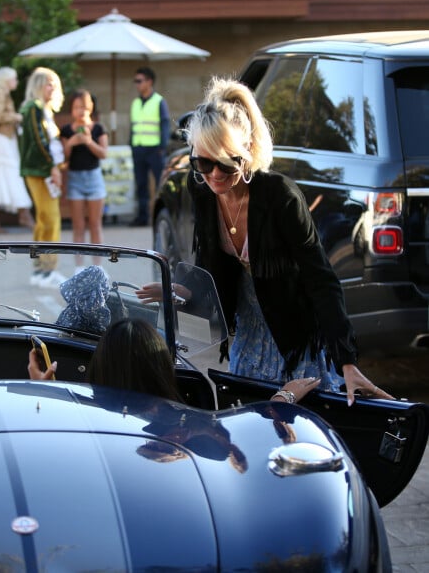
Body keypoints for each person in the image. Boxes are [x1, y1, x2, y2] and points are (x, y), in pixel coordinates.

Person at [138, 76, 394, 407]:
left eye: (226, 163)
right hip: (248, 331)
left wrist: (346, 360)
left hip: (295, 332)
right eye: (203, 162)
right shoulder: (201, 188)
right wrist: (178, 291)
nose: (214, 174)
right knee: (252, 419)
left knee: (296, 425)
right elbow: (208, 264)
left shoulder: (279, 197)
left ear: (247, 154)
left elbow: (321, 280)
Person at [27, 317, 320, 405]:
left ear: (100, 365)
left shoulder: (82, 420)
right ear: (160, 369)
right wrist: (283, 397)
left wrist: (45, 394)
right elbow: (240, 442)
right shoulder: (180, 426)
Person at [19, 67, 66, 287]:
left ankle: (40, 269)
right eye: (48, 83)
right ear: (38, 85)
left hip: (39, 170)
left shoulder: (40, 109)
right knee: (50, 219)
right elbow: (40, 141)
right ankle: (48, 268)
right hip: (40, 170)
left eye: (54, 83)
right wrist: (52, 167)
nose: (53, 87)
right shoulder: (34, 108)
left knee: (43, 220)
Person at [0, 67, 34, 233]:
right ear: (6, 80)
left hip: (2, 139)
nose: (16, 82)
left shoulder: (1, 93)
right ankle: (24, 215)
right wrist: (16, 117)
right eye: (14, 78)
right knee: (11, 175)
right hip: (1, 140)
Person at [60, 89, 108, 271]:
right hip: (75, 179)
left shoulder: (98, 128)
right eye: (77, 107)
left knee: (95, 224)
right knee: (78, 226)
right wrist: (72, 142)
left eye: (84, 107)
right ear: (72, 109)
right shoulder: (65, 130)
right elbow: (63, 158)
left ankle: (97, 266)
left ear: (90, 107)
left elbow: (103, 153)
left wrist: (88, 141)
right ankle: (78, 267)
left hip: (94, 177)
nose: (81, 111)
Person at [128, 67, 170, 227]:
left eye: (139, 81)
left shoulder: (159, 101)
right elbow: (133, 126)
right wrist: (131, 144)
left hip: (155, 150)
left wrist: (162, 147)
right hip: (138, 148)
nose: (137, 84)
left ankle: (162, 215)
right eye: (135, 81)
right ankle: (142, 217)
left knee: (160, 183)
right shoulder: (135, 103)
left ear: (149, 82)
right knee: (141, 185)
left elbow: (165, 125)